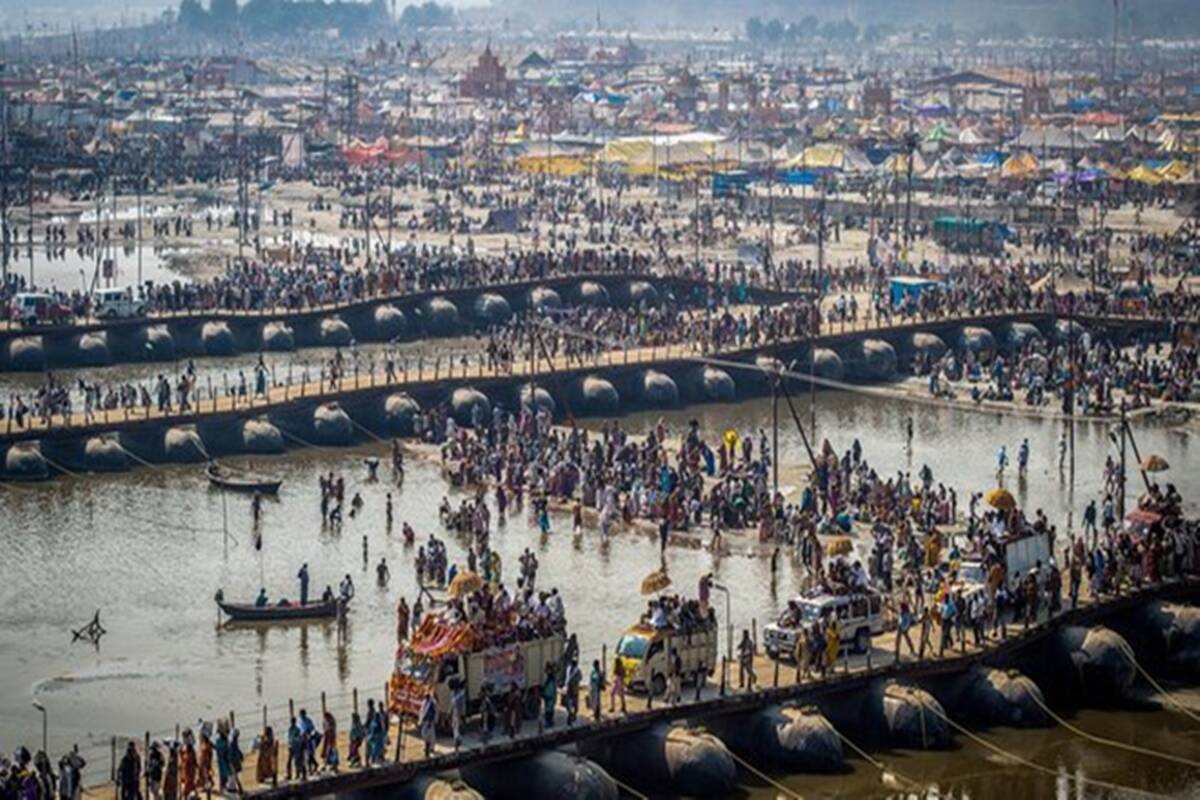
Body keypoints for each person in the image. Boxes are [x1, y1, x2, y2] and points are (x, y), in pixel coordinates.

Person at [419, 690, 438, 757]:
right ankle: (427, 745)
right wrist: (420, 720)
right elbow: (422, 711)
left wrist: (431, 721)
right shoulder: (424, 702)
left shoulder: (432, 703)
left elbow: (433, 713)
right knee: (424, 733)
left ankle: (431, 747)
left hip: (430, 721)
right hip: (425, 720)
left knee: (431, 734)